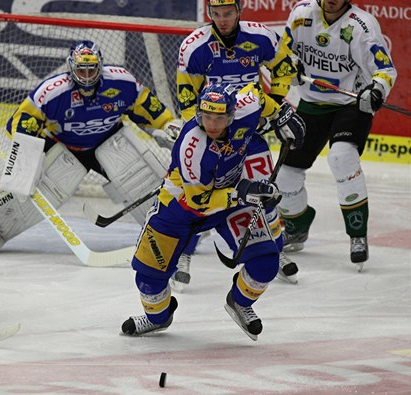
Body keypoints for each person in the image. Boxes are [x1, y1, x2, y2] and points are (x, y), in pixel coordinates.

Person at [121, 81, 305, 340]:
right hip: (179, 208)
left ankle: (240, 302)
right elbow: (198, 201)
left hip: (227, 203)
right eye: (207, 117)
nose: (212, 125)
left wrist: (280, 114)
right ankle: (157, 319)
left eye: (219, 118)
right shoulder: (192, 146)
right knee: (148, 280)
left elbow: (259, 97)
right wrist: (242, 193)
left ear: (232, 114)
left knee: (266, 262)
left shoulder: (246, 106)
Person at [0, 40, 181, 255]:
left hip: (108, 141)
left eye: (91, 70)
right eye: (81, 70)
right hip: (64, 146)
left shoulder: (122, 82)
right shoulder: (51, 92)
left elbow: (147, 108)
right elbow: (21, 120)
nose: (86, 76)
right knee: (34, 195)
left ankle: (176, 233)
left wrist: (166, 125)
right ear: (71, 67)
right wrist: (28, 155)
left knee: (141, 183)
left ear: (100, 66)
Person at [171, 0, 300, 290]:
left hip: (249, 132)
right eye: (216, 14)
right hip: (212, 134)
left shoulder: (261, 36)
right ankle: (183, 254)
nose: (222, 20)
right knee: (199, 197)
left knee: (262, 191)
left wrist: (274, 106)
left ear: (240, 11)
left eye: (228, 13)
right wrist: (201, 132)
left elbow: (284, 67)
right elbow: (186, 101)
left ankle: (270, 250)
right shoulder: (194, 46)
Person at [276, 0, 397, 271]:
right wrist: (289, 66)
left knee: (342, 156)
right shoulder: (301, 14)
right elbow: (282, 53)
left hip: (350, 104)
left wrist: (376, 89)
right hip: (310, 103)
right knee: (286, 173)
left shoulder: (362, 25)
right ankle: (298, 224)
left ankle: (357, 234)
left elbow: (384, 69)